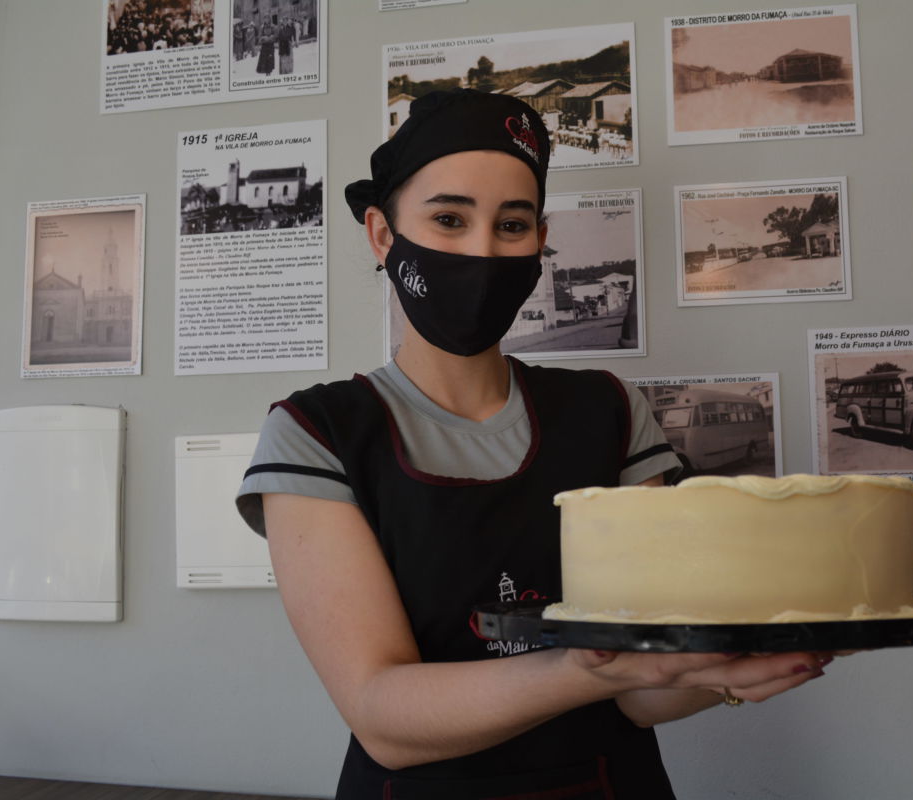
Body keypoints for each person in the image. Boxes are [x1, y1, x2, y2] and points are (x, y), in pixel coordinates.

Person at [236, 89, 828, 798]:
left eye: (511, 224)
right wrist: (582, 669)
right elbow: (382, 717)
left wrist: (731, 671)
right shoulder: (316, 434)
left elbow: (643, 695)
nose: (483, 250)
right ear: (382, 234)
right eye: (449, 219)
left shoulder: (608, 412)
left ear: (539, 241)